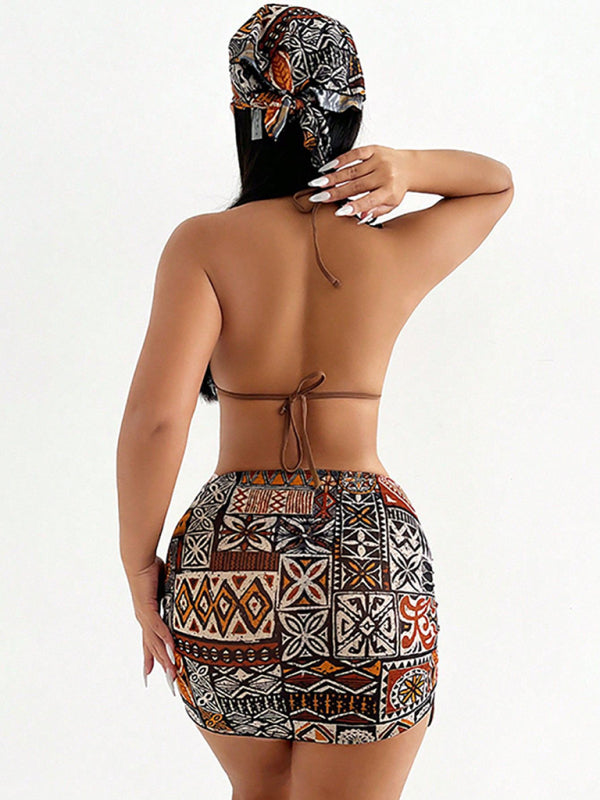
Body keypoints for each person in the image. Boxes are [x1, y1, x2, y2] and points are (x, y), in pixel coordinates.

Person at [116, 4, 514, 798]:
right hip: (367, 562)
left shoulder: (204, 244)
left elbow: (158, 422)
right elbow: (495, 185)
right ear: (351, 110)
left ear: (243, 112)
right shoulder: (390, 249)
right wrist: (406, 167)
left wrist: (138, 568)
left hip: (225, 566)